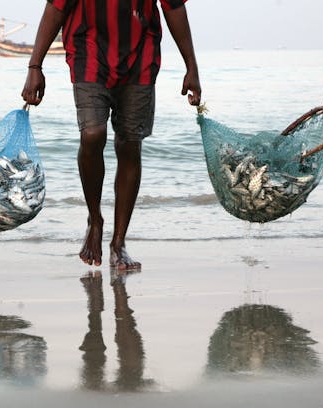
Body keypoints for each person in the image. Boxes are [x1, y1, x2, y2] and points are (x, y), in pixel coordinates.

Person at [21, 0, 201, 271]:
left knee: (130, 144)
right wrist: (35, 66)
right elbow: (56, 7)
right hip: (88, 49)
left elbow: (174, 7)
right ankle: (95, 220)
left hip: (141, 54)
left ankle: (119, 243)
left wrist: (192, 66)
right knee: (92, 134)